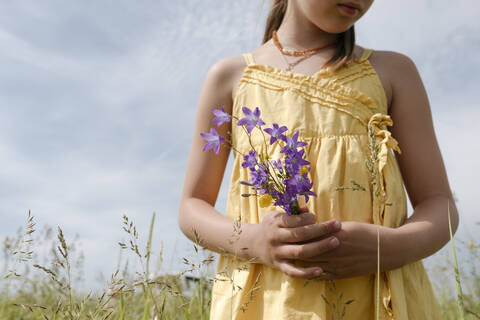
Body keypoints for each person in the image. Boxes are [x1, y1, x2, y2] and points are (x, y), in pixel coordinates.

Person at [178, 0, 459, 318]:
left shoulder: (393, 72)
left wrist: (391, 248)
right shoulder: (230, 78)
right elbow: (191, 208)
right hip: (265, 303)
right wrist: (254, 241)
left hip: (376, 298)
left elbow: (439, 203)